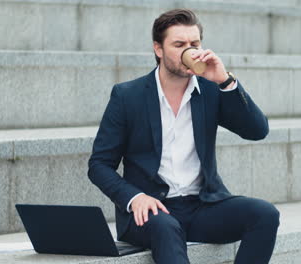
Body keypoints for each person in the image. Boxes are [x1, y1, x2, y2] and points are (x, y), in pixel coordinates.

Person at [88, 8, 280, 264]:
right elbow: (99, 165)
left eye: (194, 43)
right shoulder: (127, 96)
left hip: (203, 206)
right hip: (151, 210)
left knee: (265, 214)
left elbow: (257, 131)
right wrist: (135, 198)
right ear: (158, 49)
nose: (189, 50)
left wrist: (225, 81)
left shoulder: (211, 90)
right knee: (166, 227)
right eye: (179, 44)